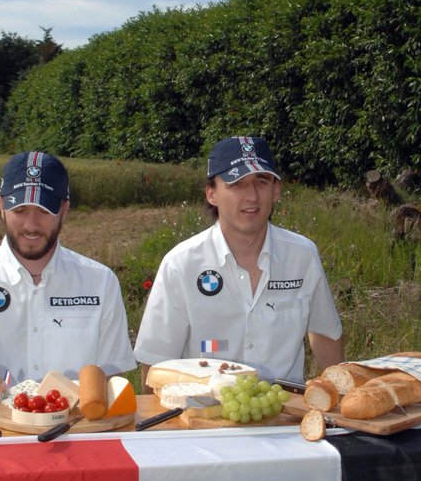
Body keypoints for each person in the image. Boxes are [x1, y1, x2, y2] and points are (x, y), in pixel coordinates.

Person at [0, 150, 135, 410]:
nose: (31, 226)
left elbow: (113, 381)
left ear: (64, 210)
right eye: (20, 210)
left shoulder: (100, 282)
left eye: (44, 211)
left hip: (75, 433)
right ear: (1, 206)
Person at [134, 136, 344, 385]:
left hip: (286, 415)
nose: (252, 196)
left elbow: (324, 332)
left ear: (276, 190)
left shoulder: (302, 255)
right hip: (206, 416)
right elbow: (156, 364)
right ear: (212, 194)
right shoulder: (180, 265)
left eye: (261, 182)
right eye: (237, 184)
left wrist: (340, 400)